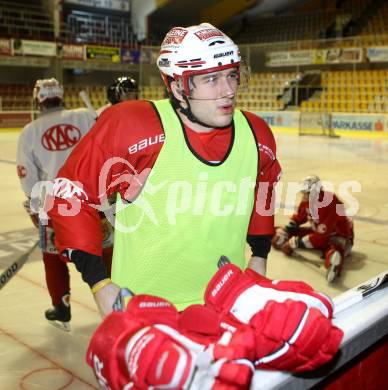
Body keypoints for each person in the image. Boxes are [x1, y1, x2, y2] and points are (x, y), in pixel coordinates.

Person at [48, 23, 281, 317]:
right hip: (145, 311)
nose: (228, 90)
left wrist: (259, 255)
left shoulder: (257, 134)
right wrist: (99, 283)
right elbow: (69, 192)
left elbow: (265, 188)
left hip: (229, 303)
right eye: (211, 78)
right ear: (177, 86)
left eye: (231, 74)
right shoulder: (131, 126)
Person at [16, 78, 114, 331]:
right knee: (106, 255)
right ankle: (117, 304)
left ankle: (61, 305)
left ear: (38, 98)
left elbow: (28, 179)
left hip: (57, 207)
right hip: (93, 199)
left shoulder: (30, 131)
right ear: (61, 95)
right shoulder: (84, 115)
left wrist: (37, 207)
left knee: (53, 258)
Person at [272, 175, 354, 282]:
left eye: (306, 192)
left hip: (339, 236)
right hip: (318, 232)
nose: (304, 195)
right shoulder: (308, 200)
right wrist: (286, 230)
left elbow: (322, 237)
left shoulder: (331, 202)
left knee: (334, 248)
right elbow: (300, 217)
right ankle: (333, 257)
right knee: (280, 230)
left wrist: (295, 244)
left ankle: (333, 262)